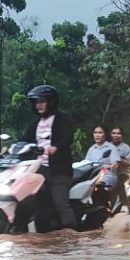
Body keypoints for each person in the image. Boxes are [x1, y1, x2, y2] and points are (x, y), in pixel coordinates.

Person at [20, 85, 77, 232]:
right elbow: (24, 140)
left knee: (60, 202)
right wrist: (11, 148)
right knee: (36, 205)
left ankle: (70, 234)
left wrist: (56, 147)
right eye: (36, 102)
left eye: (42, 101)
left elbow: (67, 136)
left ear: (51, 102)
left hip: (59, 170)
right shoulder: (34, 124)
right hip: (38, 170)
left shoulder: (62, 119)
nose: (39, 105)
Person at [110, 126, 130, 207]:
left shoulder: (126, 148)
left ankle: (125, 205)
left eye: (118, 133)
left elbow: (129, 163)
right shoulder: (107, 146)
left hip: (122, 173)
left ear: (122, 135)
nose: (116, 135)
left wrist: (119, 160)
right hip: (108, 173)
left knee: (119, 185)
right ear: (110, 134)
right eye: (114, 133)